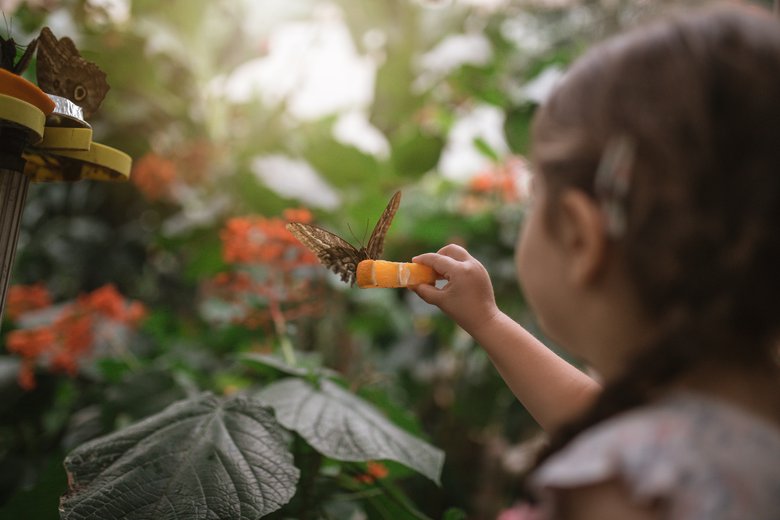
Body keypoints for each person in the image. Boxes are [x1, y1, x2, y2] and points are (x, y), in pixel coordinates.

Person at [411, 3, 780, 519]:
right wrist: (487, 321)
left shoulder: (621, 492)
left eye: (534, 195)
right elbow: (602, 415)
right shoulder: (743, 424)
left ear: (582, 237)